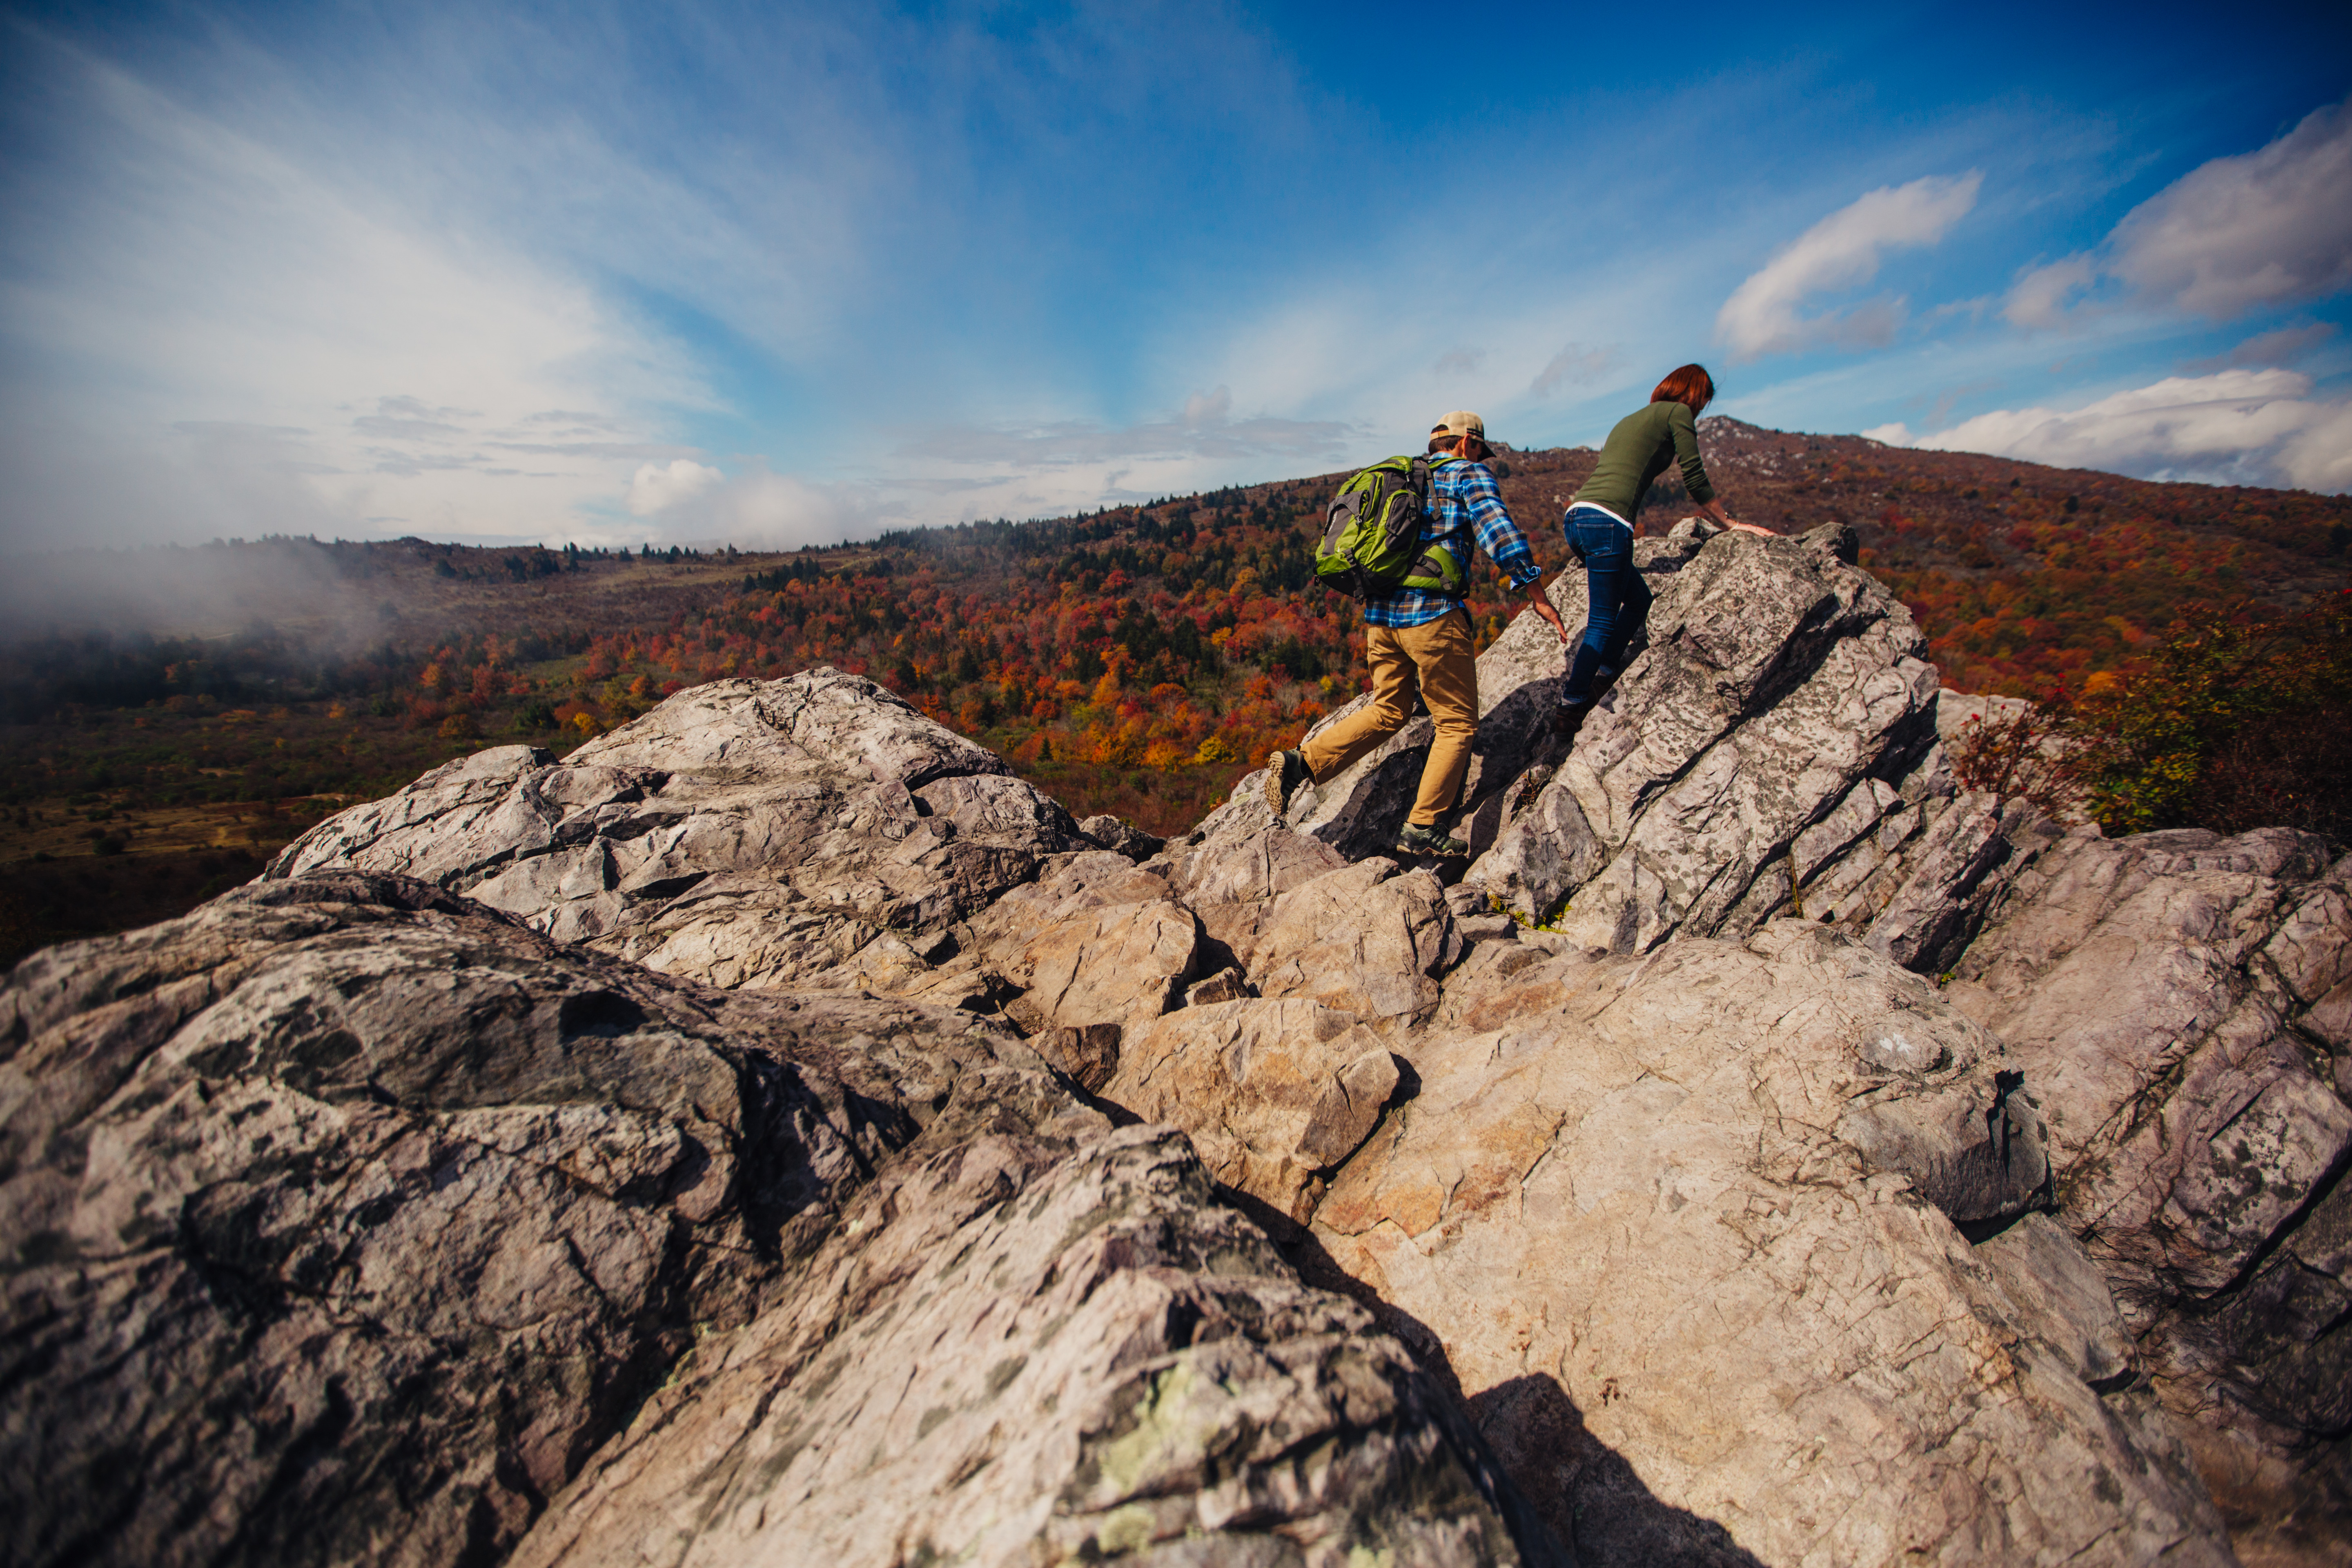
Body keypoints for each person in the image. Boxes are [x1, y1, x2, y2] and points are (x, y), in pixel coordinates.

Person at [1263, 411, 1569, 857]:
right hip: (1433, 617)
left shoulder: (1405, 477)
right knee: (1458, 724)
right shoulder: (1469, 474)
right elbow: (1499, 533)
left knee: (1390, 708)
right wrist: (1535, 592)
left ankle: (1300, 762)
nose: (1483, 458)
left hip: (1382, 620)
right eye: (1481, 450)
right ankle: (1423, 826)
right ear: (1467, 445)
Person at [1553, 364, 1774, 741]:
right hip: (1609, 522)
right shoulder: (1679, 413)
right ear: (1695, 393)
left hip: (1577, 518)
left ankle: (1604, 675)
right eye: (1704, 400)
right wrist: (1731, 524)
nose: (1702, 409)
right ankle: (1572, 705)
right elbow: (1694, 476)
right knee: (1603, 621)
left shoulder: (1631, 418)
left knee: (1640, 600)